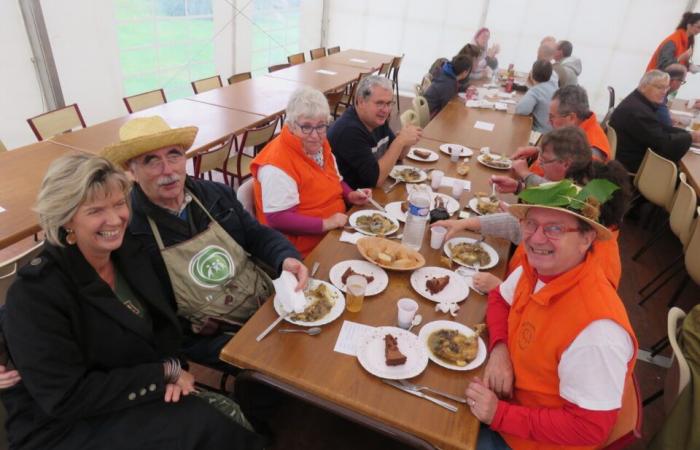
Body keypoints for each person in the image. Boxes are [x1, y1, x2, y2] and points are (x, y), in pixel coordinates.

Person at [1, 154, 265, 450]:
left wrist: (172, 364)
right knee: (205, 428)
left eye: (119, 204)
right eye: (96, 210)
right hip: (67, 424)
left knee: (216, 426)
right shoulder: (37, 293)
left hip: (125, 392)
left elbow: (163, 325)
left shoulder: (128, 252)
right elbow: (66, 396)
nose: (115, 219)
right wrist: (161, 374)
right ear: (65, 218)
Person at [101, 116, 308, 372]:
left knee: (308, 342)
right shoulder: (130, 232)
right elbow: (150, 314)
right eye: (151, 160)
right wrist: (191, 330)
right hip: (207, 333)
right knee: (274, 369)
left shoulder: (215, 194)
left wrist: (285, 257)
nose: (168, 170)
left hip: (261, 297)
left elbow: (256, 234)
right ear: (131, 171)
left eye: (174, 155)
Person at [466, 179, 638, 450]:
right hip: (503, 397)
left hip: (524, 440)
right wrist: (500, 351)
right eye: (531, 224)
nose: (536, 238)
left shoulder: (597, 331)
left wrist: (499, 414)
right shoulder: (538, 269)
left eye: (555, 228)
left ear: (586, 239)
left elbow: (589, 429)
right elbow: (500, 297)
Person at [434, 127, 630, 292]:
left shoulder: (597, 272)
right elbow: (518, 227)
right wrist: (466, 223)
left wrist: (502, 288)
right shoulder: (581, 226)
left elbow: (548, 315)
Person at [250, 86, 371, 257]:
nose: (315, 135)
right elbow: (277, 218)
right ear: (291, 126)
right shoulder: (276, 164)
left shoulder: (319, 144)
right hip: (303, 249)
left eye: (321, 126)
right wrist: (326, 223)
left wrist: (350, 195)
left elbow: (334, 178)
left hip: (334, 231)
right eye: (306, 127)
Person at [328, 75, 422, 189]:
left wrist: (406, 141)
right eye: (379, 103)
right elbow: (376, 180)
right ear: (361, 102)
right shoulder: (349, 131)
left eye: (389, 103)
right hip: (351, 202)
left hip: (370, 194)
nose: (386, 110)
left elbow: (399, 155)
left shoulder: (376, 120)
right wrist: (400, 141)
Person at [610, 70, 700, 173]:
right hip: (631, 164)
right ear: (643, 86)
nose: (664, 92)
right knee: (683, 173)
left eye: (666, 88)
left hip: (626, 154)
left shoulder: (638, 101)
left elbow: (659, 128)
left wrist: (687, 134)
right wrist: (691, 137)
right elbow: (662, 143)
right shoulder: (639, 112)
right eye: (659, 87)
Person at [512, 85, 611, 175]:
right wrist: (538, 151)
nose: (548, 122)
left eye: (552, 117)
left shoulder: (592, 150)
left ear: (571, 117)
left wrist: (525, 175)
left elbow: (567, 189)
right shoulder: (575, 131)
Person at [515, 60, 556, 133]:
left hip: (542, 133)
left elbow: (521, 110)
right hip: (555, 131)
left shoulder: (536, 91)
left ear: (532, 74)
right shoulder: (554, 86)